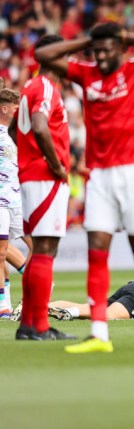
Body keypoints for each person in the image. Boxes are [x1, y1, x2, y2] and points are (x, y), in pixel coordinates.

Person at [35, 22, 134, 352]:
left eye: (106, 50)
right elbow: (41, 54)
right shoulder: (87, 75)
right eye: (96, 52)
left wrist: (126, 37)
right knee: (96, 252)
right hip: (99, 175)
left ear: (121, 47)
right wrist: (89, 40)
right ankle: (99, 334)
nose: (99, 56)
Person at [8, 35, 76, 341]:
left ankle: (31, 326)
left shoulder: (30, 88)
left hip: (34, 175)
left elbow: (13, 129)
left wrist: (26, 157)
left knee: (41, 250)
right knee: (45, 249)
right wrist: (55, 164)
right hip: (45, 177)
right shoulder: (46, 87)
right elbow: (38, 124)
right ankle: (37, 325)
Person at [0, 87, 22, 318]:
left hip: (18, 198)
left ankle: (40, 285)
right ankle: (3, 304)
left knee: (39, 245)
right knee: (1, 251)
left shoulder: (18, 132)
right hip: (2, 201)